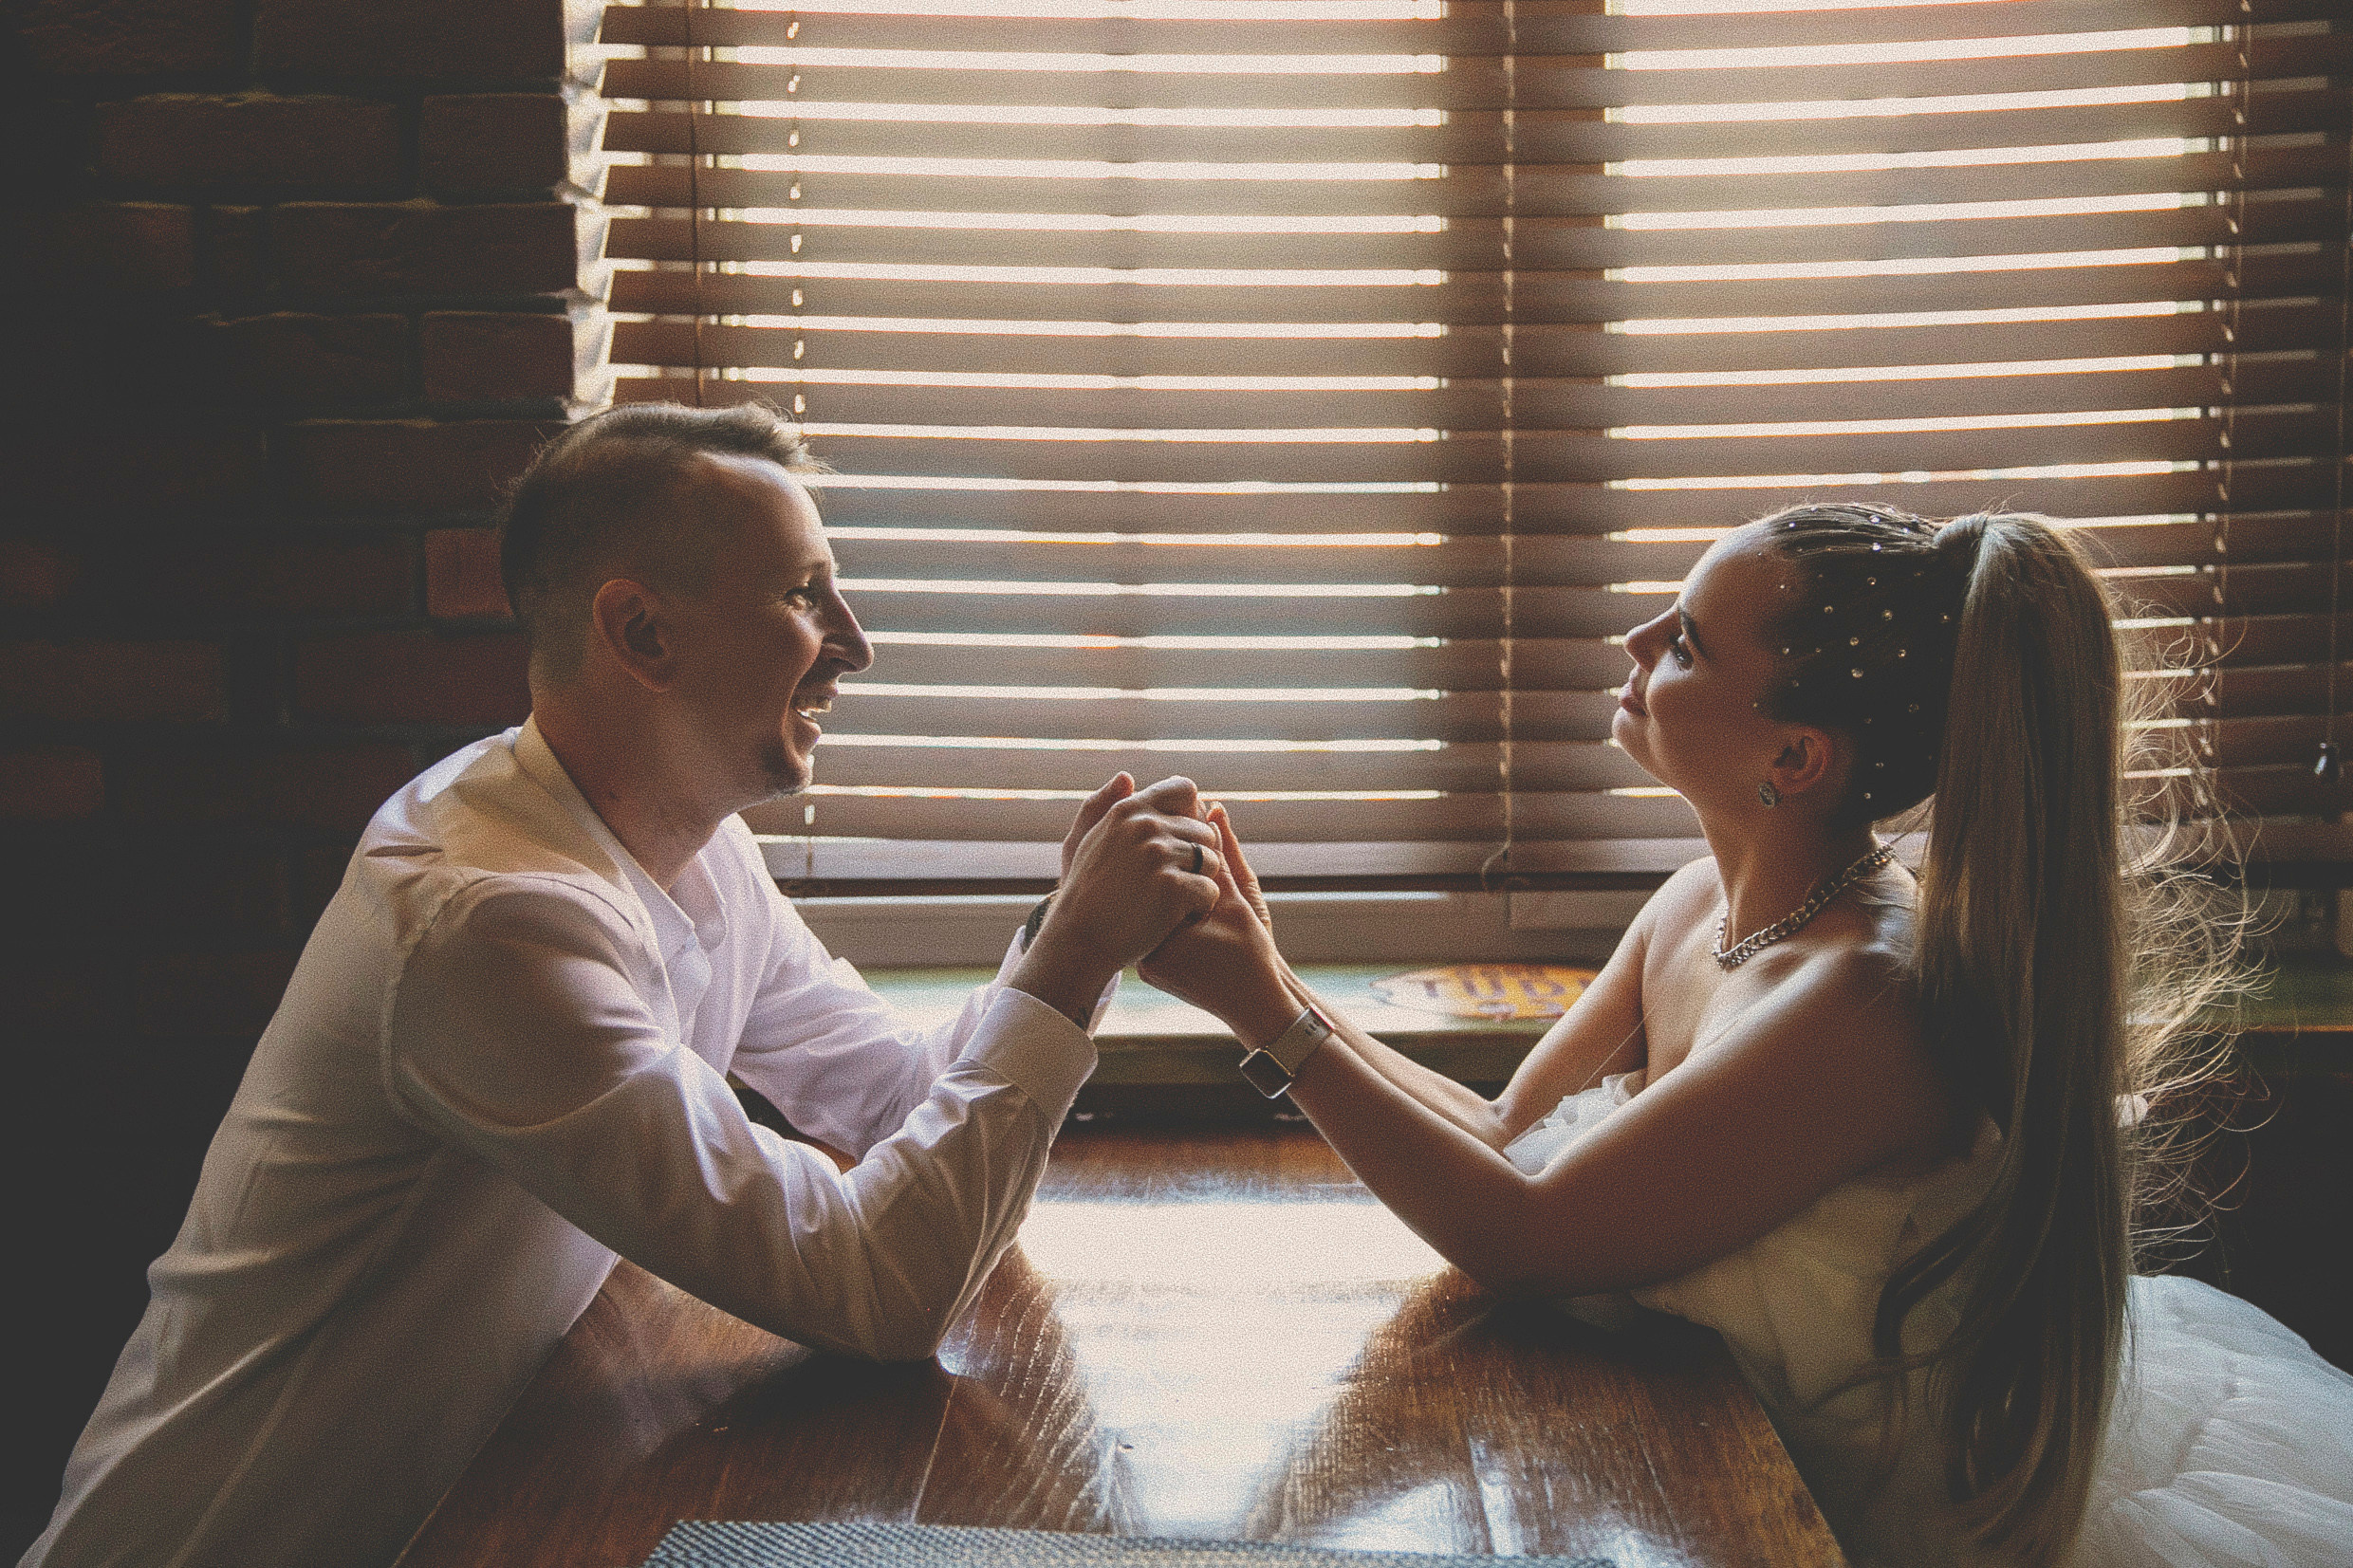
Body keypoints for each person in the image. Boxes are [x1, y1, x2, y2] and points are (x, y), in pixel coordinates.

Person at [23, 403, 1227, 1568]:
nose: (856, 640)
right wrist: (1070, 961)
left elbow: (894, 1100)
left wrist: (1063, 930)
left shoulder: (691, 842)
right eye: (805, 595)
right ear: (643, 635)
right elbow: (878, 1291)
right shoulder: (487, 924)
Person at [1141, 504, 2353, 1567]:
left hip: (1856, 1518)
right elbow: (1508, 1134)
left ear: (1794, 756)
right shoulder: (1694, 906)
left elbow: (1524, 1235)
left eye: (1682, 641)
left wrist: (1262, 1014)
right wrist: (1276, 974)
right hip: (1709, 1443)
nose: (1632, 647)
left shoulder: (1854, 1003)